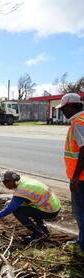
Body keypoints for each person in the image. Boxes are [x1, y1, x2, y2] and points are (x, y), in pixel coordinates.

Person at [0, 170, 61, 244]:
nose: (5, 185)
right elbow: (29, 199)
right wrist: (13, 203)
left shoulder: (22, 190)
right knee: (28, 208)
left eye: (5, 183)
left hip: (49, 211)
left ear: (10, 181)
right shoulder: (24, 181)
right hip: (54, 206)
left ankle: (38, 234)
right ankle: (43, 229)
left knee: (18, 211)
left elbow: (9, 209)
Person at [55, 93, 84, 253]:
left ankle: (82, 245)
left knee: (80, 212)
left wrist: (75, 178)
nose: (63, 113)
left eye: (63, 109)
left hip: (81, 178)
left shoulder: (78, 124)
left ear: (71, 106)